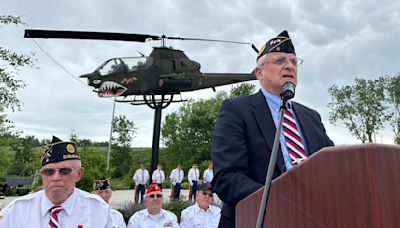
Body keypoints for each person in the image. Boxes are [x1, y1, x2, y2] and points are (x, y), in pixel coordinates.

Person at [211, 30, 335, 227]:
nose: (289, 66)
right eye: (279, 61)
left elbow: (333, 167)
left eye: (294, 62)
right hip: (255, 219)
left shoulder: (311, 116)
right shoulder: (237, 110)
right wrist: (282, 201)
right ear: (259, 72)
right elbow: (227, 178)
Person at [0, 136, 112, 227]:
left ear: (79, 174)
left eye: (65, 171)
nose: (56, 177)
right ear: (41, 175)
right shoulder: (16, 211)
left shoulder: (98, 209)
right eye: (49, 172)